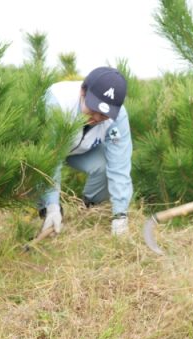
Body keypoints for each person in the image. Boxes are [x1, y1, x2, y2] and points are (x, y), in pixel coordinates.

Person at [39, 67, 133, 236]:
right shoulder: (58, 103)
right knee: (38, 169)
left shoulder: (118, 116)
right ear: (83, 91)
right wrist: (52, 205)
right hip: (49, 151)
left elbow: (119, 165)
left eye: (104, 115)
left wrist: (120, 215)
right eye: (94, 109)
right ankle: (48, 213)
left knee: (105, 166)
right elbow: (50, 160)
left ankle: (89, 208)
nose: (97, 118)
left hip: (83, 150)